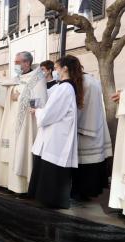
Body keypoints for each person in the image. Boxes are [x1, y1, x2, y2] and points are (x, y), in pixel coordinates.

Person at [28, 55, 82, 209]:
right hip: (55, 135)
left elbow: (48, 115)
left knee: (52, 171)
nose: (55, 71)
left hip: (57, 137)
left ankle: (51, 201)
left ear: (65, 68)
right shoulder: (63, 87)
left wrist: (37, 111)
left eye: (57, 68)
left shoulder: (65, 88)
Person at [0, 51, 47, 194]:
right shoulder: (16, 78)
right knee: (12, 151)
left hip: (27, 124)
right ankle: (12, 185)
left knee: (23, 151)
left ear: (27, 63)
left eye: (17, 62)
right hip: (12, 122)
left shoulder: (37, 78)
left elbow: (40, 101)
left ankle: (23, 187)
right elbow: (8, 94)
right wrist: (11, 95)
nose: (15, 65)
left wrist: (19, 96)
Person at [72, 73, 112, 200]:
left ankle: (81, 192)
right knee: (93, 163)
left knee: (84, 163)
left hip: (85, 126)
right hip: (97, 124)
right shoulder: (92, 80)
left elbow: (79, 105)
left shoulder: (83, 82)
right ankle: (88, 192)